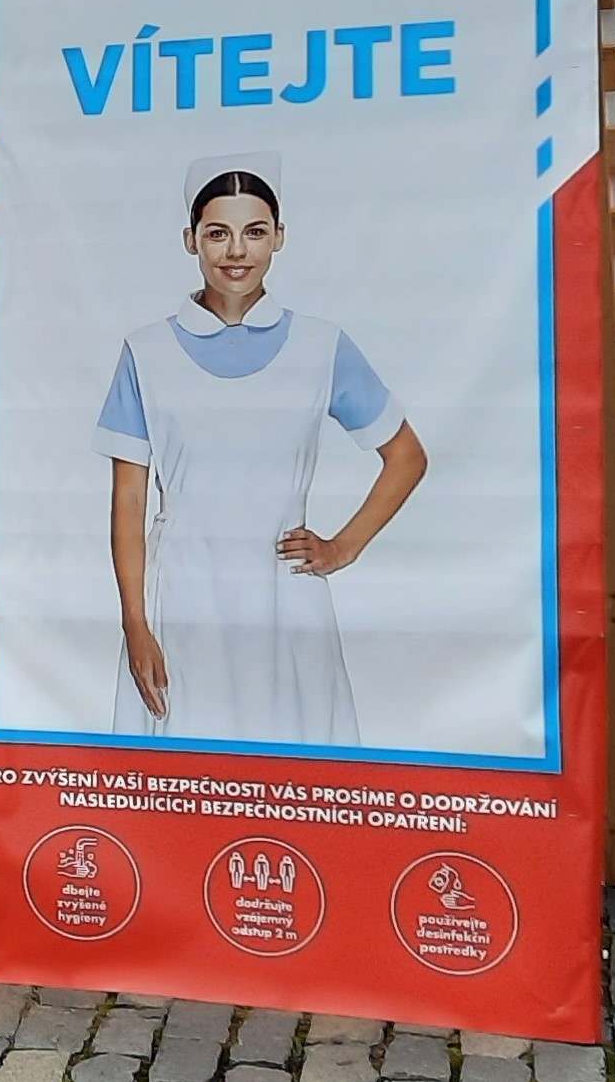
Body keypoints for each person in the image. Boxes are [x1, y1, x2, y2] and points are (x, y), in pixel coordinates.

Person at [96, 166, 429, 749]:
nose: (236, 251)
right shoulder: (146, 352)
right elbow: (129, 498)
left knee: (298, 762)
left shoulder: (320, 346)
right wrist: (135, 623)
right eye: (217, 233)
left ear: (279, 236)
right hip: (183, 594)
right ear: (191, 240)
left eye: (254, 232)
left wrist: (342, 547)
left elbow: (405, 456)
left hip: (286, 596)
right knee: (185, 768)